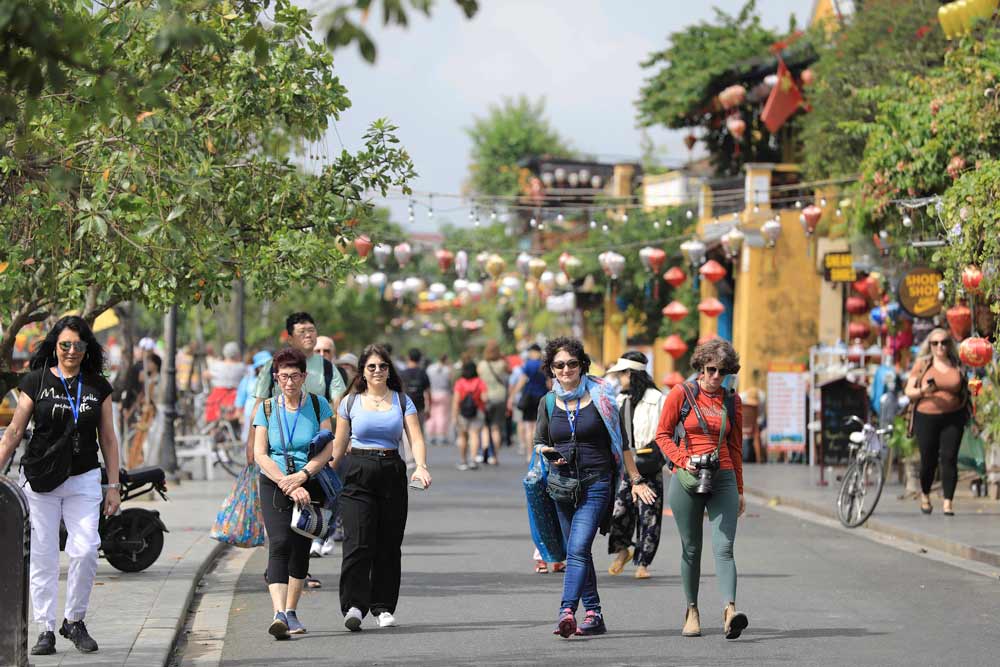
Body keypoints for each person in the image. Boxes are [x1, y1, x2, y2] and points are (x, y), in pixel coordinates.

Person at [0, 316, 120, 656]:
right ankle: (45, 628)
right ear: (55, 346)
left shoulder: (98, 386)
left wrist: (113, 485)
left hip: (83, 477)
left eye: (78, 346)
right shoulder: (35, 381)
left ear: (86, 349)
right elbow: (13, 433)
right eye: (65, 345)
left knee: (84, 550)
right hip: (41, 480)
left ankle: (74, 620)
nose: (71, 351)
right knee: (44, 554)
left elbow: (109, 439)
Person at [533, 337, 652, 638]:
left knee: (577, 547)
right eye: (559, 365)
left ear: (582, 365)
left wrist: (636, 479)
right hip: (560, 485)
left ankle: (566, 611)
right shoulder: (548, 402)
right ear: (551, 369)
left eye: (572, 363)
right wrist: (546, 451)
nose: (566, 369)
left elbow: (621, 442)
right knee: (579, 552)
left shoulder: (602, 397)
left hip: (596, 482)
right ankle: (594, 614)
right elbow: (539, 442)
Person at [330, 344, 432, 631]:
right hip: (358, 472)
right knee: (357, 543)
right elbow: (338, 447)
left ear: (389, 370)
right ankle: (354, 606)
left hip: (391, 471)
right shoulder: (350, 403)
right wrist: (321, 472)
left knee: (388, 544)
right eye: (371, 366)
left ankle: (383, 606)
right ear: (362, 371)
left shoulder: (402, 401)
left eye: (382, 366)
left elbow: (416, 438)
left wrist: (421, 466)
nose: (377, 371)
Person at [655, 338, 749, 640]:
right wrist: (684, 460)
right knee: (691, 549)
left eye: (723, 372)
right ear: (700, 367)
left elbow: (735, 447)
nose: (716, 377)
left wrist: (740, 488)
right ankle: (692, 610)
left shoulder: (733, 401)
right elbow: (662, 435)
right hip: (687, 479)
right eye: (711, 370)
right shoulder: (680, 394)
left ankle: (729, 611)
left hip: (722, 477)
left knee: (724, 547)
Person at [252, 347, 335, 640]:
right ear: (276, 378)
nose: (289, 382)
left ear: (304, 376)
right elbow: (259, 453)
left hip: (310, 479)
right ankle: (278, 614)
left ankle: (291, 611)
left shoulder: (318, 404)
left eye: (295, 376)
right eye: (284, 376)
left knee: (300, 546)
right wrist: (286, 481)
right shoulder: (266, 409)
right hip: (274, 482)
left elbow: (328, 447)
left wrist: (302, 476)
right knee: (280, 542)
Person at [251, 312, 346, 461]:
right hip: (276, 451)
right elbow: (258, 408)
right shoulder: (273, 367)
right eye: (302, 331)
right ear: (290, 339)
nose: (308, 335)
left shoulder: (328, 368)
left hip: (315, 452)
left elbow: (340, 411)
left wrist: (337, 448)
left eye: (311, 330)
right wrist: (251, 446)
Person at [605, 352, 666, 579]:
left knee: (649, 514)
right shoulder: (620, 399)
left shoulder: (658, 398)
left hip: (649, 463)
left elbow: (668, 430)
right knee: (618, 510)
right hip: (625, 466)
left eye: (622, 373)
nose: (620, 378)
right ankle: (622, 551)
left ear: (630, 373)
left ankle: (643, 563)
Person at [904, 328, 968, 516]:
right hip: (926, 416)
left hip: (953, 416)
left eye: (944, 342)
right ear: (929, 346)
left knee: (949, 458)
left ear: (950, 345)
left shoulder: (957, 364)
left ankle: (948, 502)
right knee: (928, 461)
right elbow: (909, 391)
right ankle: (925, 494)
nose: (940, 346)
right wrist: (923, 391)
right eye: (935, 343)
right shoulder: (922, 364)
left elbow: (965, 387)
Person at [508, 344, 548, 462]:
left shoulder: (528, 365)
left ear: (531, 352)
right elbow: (549, 382)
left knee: (528, 426)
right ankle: (538, 453)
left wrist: (512, 395)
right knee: (538, 426)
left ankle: (529, 454)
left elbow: (522, 380)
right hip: (542, 397)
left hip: (528, 397)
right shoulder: (543, 365)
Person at [477, 340, 509, 465]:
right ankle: (495, 456)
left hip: (485, 396)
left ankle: (485, 448)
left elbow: (479, 380)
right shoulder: (502, 364)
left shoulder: (481, 365)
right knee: (496, 427)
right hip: (500, 397)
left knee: (485, 426)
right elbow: (510, 371)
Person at [452, 361, 486, 470]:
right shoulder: (479, 382)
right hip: (477, 411)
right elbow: (485, 397)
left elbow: (456, 400)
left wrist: (454, 415)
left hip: (463, 413)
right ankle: (473, 460)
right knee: (474, 435)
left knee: (462, 436)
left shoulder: (459, 382)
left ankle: (463, 461)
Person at [237, 351, 272, 442]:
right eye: (262, 365)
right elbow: (241, 397)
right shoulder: (248, 380)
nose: (265, 367)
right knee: (249, 440)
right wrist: (240, 414)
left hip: (270, 415)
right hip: (250, 415)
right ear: (257, 368)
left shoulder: (276, 379)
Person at [399, 348, 432, 427]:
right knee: (420, 433)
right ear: (419, 358)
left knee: (407, 433)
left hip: (405, 408)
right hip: (419, 407)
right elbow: (428, 392)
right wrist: (428, 408)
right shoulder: (423, 373)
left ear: (408, 357)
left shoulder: (402, 374)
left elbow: (399, 392)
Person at [425, 354, 452, 447]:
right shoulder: (447, 370)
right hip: (444, 393)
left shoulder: (430, 368)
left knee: (431, 414)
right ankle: (441, 436)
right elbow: (449, 382)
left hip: (432, 392)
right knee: (442, 415)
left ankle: (431, 435)